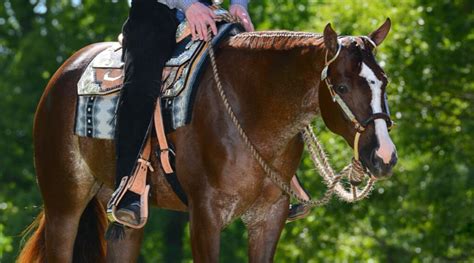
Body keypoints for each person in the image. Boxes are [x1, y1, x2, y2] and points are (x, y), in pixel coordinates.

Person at [113, 0, 309, 226]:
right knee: (142, 85)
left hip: (212, 14)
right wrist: (188, 5)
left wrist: (239, 5)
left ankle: (279, 179)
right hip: (156, 12)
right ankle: (127, 186)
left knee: (255, 73)